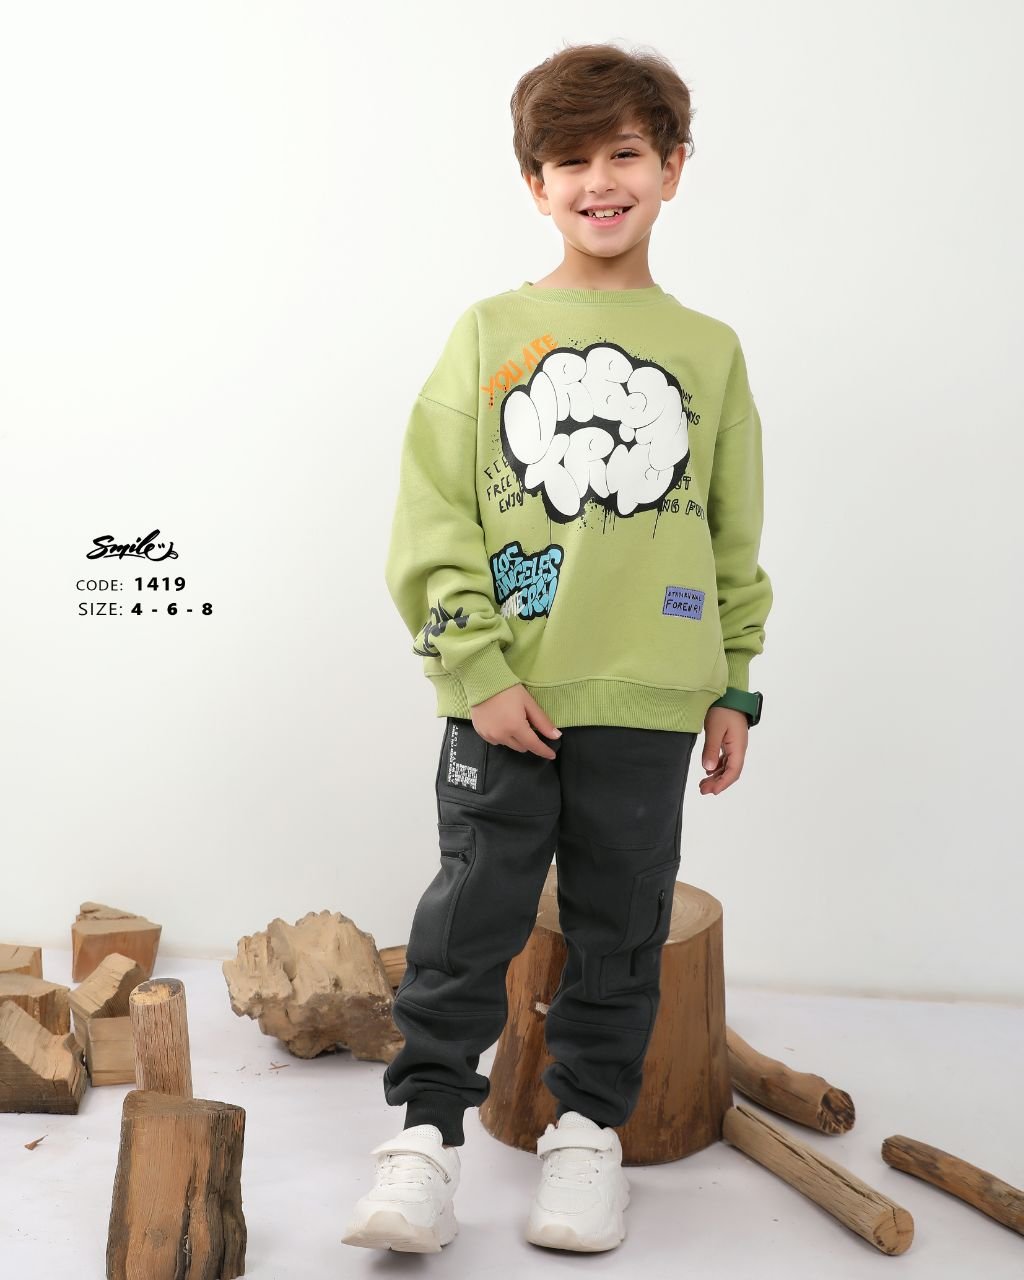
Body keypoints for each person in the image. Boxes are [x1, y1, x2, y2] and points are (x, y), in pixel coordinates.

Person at [342, 39, 772, 1256]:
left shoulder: (710, 349)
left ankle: (586, 1139)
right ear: (535, 184)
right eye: (569, 160)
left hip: (651, 696)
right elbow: (433, 520)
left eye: (623, 153)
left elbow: (731, 533)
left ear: (672, 168)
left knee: (619, 924)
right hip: (505, 698)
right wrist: (475, 671)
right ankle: (425, 1140)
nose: (599, 180)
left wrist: (736, 681)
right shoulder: (489, 331)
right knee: (469, 913)